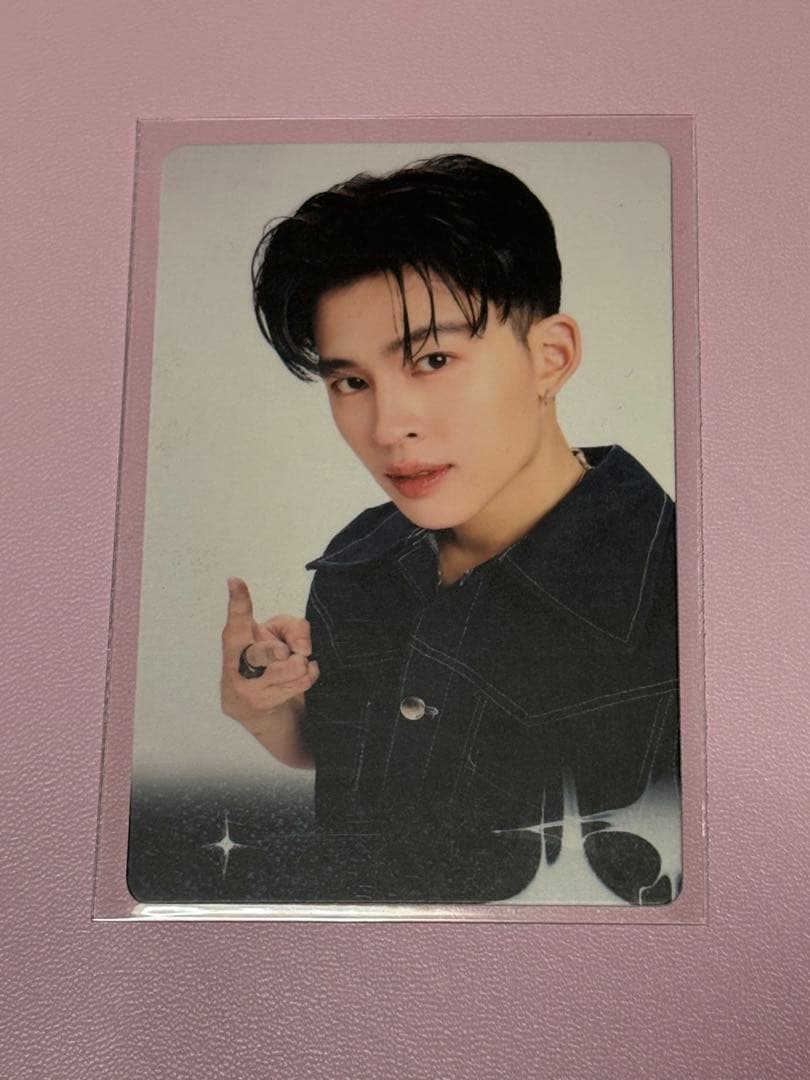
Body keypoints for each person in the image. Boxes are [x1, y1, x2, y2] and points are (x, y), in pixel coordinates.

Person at [220, 154, 680, 904]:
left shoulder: (683, 590)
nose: (387, 426)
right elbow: (363, 773)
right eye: (351, 381)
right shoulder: (359, 563)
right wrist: (270, 712)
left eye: (433, 359)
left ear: (551, 358)